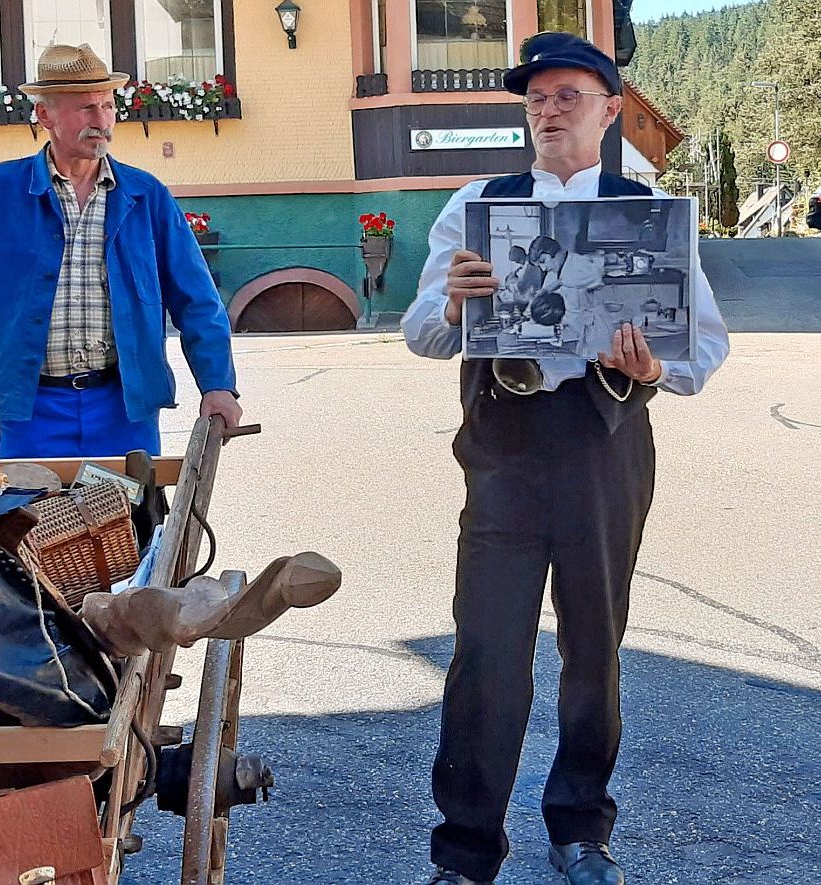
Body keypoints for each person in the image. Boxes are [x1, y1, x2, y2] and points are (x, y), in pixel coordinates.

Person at [401, 32, 730, 885]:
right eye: (537, 99)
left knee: (596, 649)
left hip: (603, 446)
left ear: (609, 111)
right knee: (488, 654)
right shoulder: (476, 203)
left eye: (567, 97)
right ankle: (466, 851)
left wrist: (655, 366)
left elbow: (703, 349)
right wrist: (451, 301)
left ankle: (581, 828)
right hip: (503, 449)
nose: (549, 112)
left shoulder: (648, 210)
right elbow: (421, 334)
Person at [0, 43, 241, 458]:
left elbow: (196, 300)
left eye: (107, 106)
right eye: (85, 108)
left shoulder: (145, 195)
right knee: (31, 519)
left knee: (129, 519)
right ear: (45, 115)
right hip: (31, 403)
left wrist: (217, 385)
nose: (101, 120)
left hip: (123, 403)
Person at [528, 235, 609, 356]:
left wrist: (558, 283)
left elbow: (596, 278)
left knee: (601, 365)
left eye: (543, 262)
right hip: (574, 332)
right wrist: (533, 307)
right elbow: (546, 298)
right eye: (540, 265)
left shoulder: (579, 262)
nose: (544, 268)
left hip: (595, 330)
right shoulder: (553, 272)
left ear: (553, 252)